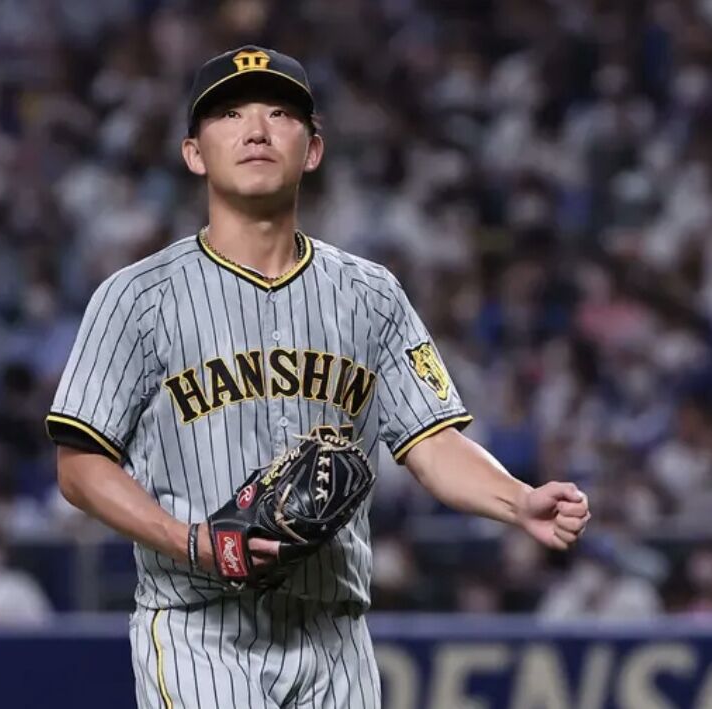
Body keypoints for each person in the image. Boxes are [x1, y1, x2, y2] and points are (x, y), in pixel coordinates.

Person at [46, 45, 590, 709]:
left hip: (336, 639)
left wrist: (517, 500)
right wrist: (191, 542)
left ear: (313, 150)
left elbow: (431, 442)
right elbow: (79, 465)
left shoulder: (372, 294)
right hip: (199, 630)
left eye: (280, 113)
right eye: (229, 114)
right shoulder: (137, 297)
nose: (256, 130)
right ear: (193, 153)